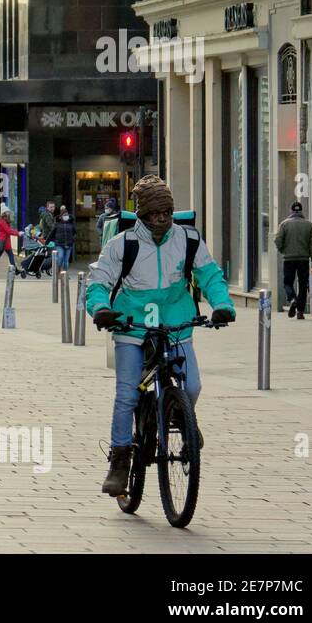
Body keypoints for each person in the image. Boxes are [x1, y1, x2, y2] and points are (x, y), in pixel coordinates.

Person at [85, 175, 235, 497]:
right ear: (141, 215)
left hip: (176, 322)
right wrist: (100, 308)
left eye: (166, 213)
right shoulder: (122, 245)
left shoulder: (188, 239)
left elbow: (209, 274)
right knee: (127, 393)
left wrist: (222, 304)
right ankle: (120, 460)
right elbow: (98, 283)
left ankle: (182, 419)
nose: (162, 220)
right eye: (154, 214)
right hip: (131, 325)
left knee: (191, 384)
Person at [274, 201, 312, 320]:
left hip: (289, 259)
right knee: (303, 285)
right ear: (301, 211)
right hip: (304, 260)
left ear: (291, 210)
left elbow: (277, 241)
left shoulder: (284, 224)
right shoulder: (309, 225)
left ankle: (293, 298)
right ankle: (300, 312)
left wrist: (284, 251)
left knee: (288, 283)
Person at [53, 206, 77, 271]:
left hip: (68, 244)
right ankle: (57, 271)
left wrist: (73, 240)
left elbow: (75, 232)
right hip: (59, 244)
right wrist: (48, 241)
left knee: (66, 261)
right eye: (64, 215)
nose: (66, 216)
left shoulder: (71, 224)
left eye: (67, 215)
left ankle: (65, 275)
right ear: (61, 217)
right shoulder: (57, 224)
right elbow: (52, 233)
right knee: (60, 257)